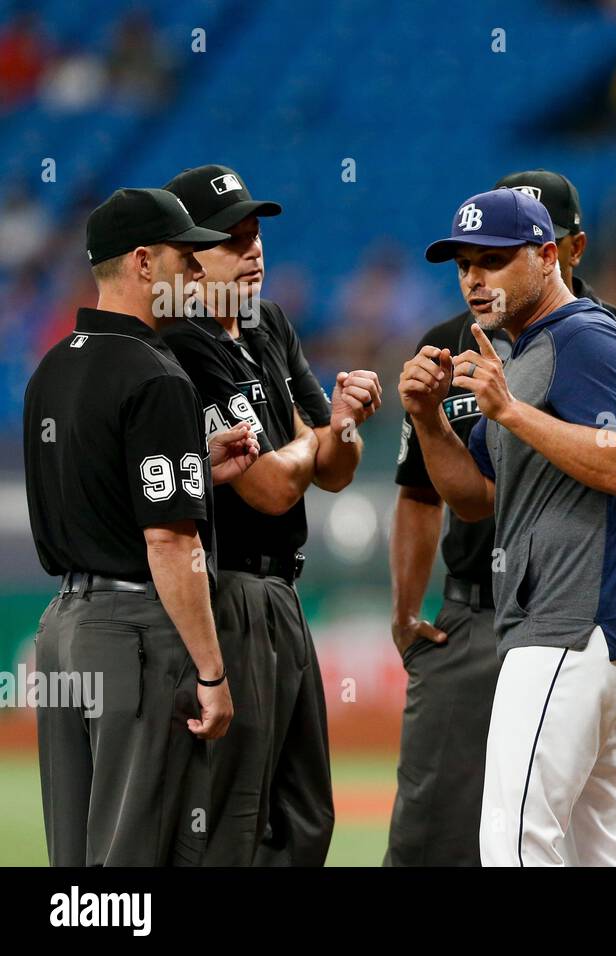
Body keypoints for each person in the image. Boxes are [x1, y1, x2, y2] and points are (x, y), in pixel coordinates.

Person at [385, 169, 616, 866]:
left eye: (494, 259)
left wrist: (509, 412)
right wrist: (428, 421)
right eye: (465, 264)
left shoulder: (587, 336)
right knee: (599, 849)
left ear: (550, 254)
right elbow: (475, 500)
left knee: (515, 845)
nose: (475, 279)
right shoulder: (522, 349)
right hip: (582, 625)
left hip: (574, 623)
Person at [23, 187, 259, 865]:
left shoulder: (53, 366)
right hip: (133, 635)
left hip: (64, 632)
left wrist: (193, 465)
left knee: (78, 857)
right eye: (186, 260)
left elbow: (99, 488)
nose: (195, 275)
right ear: (144, 262)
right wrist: (213, 675)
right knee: (138, 853)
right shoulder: (156, 373)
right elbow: (169, 541)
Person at [160, 164, 381, 865]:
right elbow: (268, 490)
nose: (254, 249)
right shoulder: (182, 341)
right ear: (189, 258)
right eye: (233, 238)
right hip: (225, 590)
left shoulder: (269, 323)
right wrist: (313, 438)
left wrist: (335, 428)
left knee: (306, 814)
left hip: (280, 591)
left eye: (257, 234)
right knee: (238, 815)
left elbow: (336, 470)